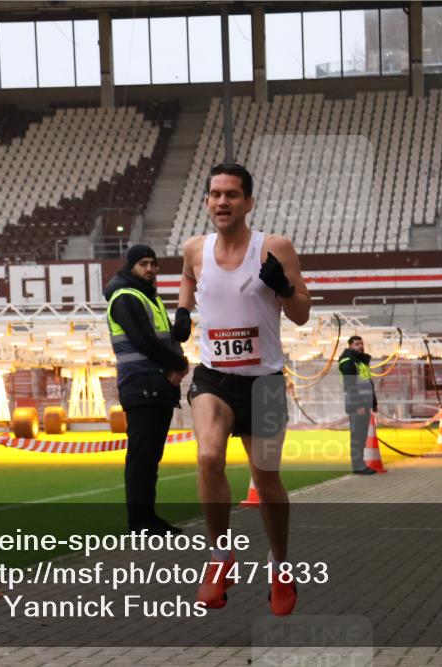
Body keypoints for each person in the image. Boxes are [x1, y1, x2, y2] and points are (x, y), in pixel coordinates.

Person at [177, 163, 311, 616]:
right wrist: (181, 309)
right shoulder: (195, 248)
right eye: (214, 194)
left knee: (266, 477)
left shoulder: (273, 248)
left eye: (231, 195)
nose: (221, 202)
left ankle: (279, 566)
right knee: (208, 456)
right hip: (214, 377)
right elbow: (190, 277)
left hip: (266, 382)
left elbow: (302, 314)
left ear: (248, 202)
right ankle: (219, 557)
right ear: (206, 201)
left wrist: (285, 287)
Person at [104, 244, 189, 535]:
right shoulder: (125, 296)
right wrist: (179, 363)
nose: (151, 268)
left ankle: (147, 518)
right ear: (130, 267)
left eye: (154, 263)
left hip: (153, 387)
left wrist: (181, 324)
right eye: (144, 263)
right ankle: (139, 522)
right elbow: (143, 342)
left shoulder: (146, 297)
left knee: (149, 457)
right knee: (142, 456)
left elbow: (160, 338)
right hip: (142, 385)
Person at [338, 335, 378, 475]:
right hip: (357, 406)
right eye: (356, 344)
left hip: (364, 405)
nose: (360, 346)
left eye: (361, 343)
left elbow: (368, 383)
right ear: (350, 346)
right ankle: (358, 466)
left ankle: (360, 464)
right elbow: (351, 386)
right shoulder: (348, 361)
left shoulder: (360, 362)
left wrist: (374, 402)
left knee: (362, 436)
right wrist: (358, 405)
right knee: (357, 437)